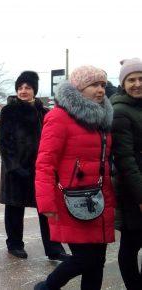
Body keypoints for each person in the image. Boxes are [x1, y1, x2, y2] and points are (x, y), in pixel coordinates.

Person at [34, 66, 115, 290]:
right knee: (85, 258)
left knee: (97, 261)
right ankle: (47, 287)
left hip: (97, 199)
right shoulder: (59, 117)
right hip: (70, 200)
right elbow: (45, 163)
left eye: (103, 85)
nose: (100, 90)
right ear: (79, 88)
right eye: (94, 85)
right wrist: (46, 202)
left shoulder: (103, 118)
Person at [0, 71, 67, 260]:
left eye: (27, 87)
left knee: (46, 208)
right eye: (20, 88)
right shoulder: (9, 110)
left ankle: (54, 248)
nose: (23, 91)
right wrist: (14, 167)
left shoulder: (44, 112)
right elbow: (4, 142)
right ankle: (14, 244)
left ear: (34, 90)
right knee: (14, 208)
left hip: (40, 169)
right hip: (15, 169)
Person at [111, 58, 142, 290]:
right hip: (133, 190)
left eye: (141, 79)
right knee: (131, 245)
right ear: (123, 83)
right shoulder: (120, 110)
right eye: (131, 79)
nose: (137, 84)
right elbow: (125, 159)